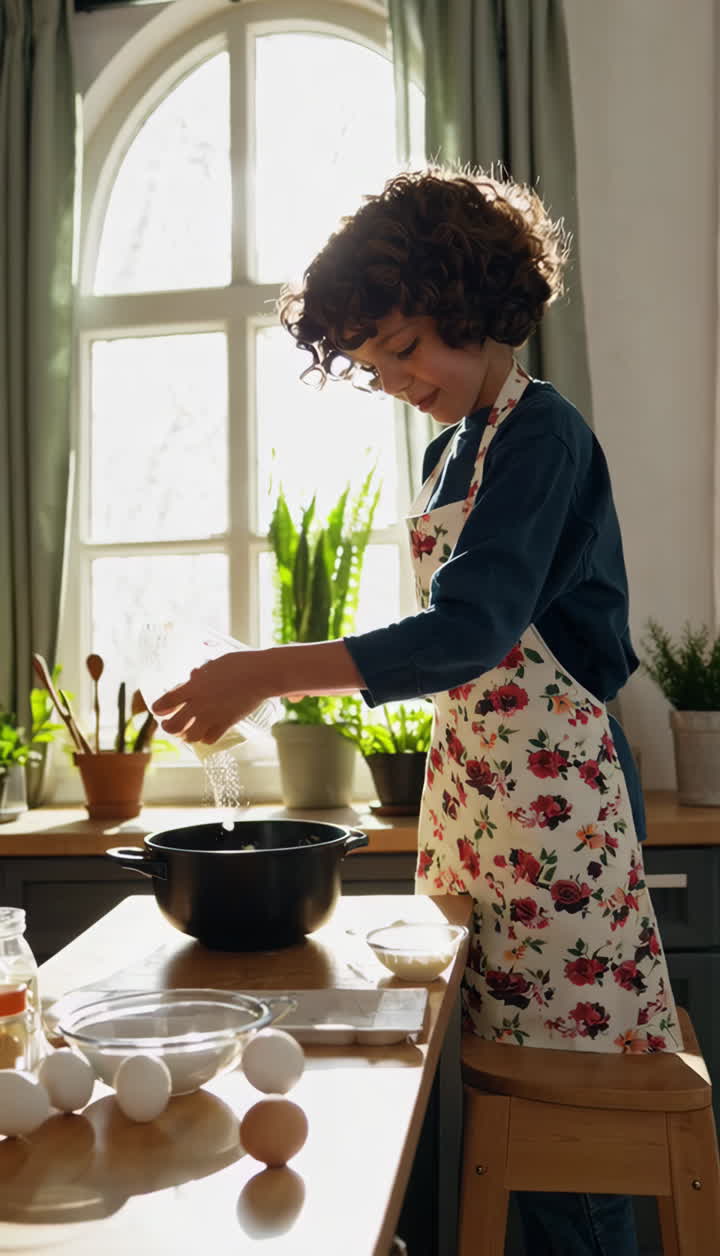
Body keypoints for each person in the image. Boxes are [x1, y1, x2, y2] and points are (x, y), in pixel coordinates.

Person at [153, 167, 680, 1256]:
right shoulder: (457, 447)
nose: (394, 378)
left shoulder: (543, 439)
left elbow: (469, 631)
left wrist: (263, 669)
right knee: (498, 1087)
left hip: (556, 815)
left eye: (403, 346)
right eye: (370, 362)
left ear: (475, 298)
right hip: (489, 805)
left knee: (566, 1118)